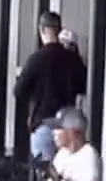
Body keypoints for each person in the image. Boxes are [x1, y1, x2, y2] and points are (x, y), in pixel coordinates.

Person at [14, 12, 87, 164]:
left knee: (44, 172)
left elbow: (18, 90)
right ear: (59, 30)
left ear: (41, 30)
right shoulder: (73, 59)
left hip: (43, 125)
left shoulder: (36, 59)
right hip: (68, 128)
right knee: (67, 173)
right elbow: (83, 87)